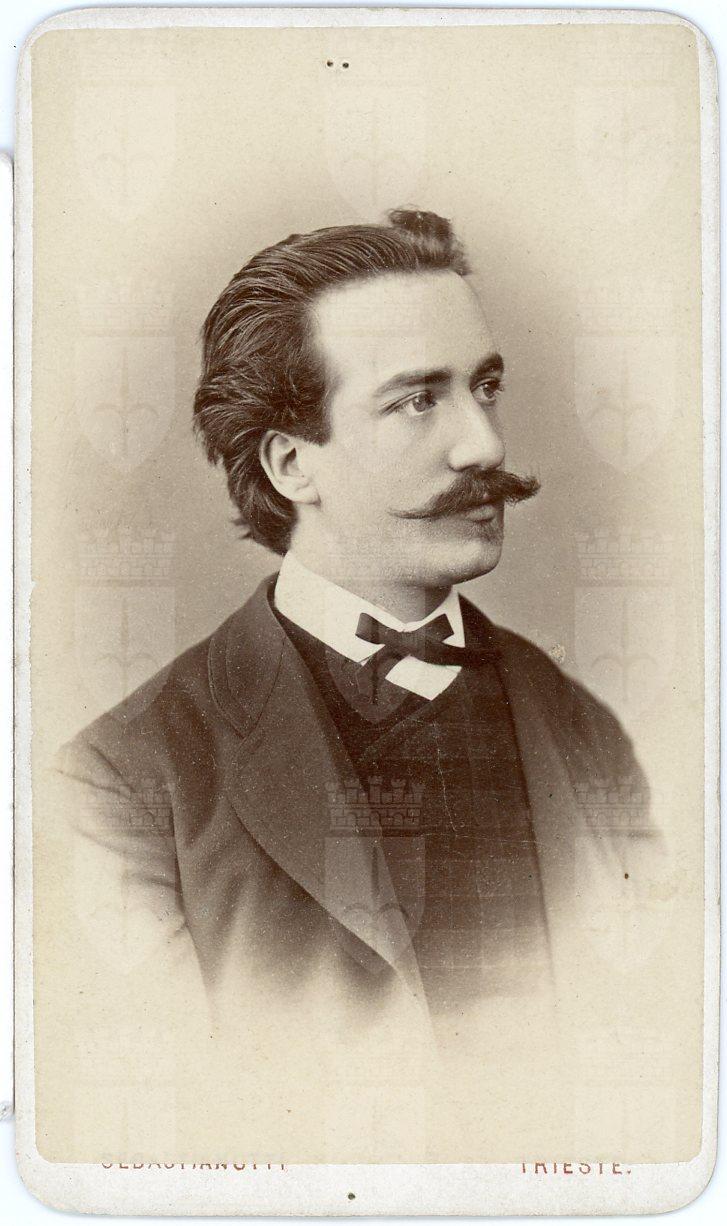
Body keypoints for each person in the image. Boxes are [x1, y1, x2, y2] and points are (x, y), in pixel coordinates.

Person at [52, 208, 665, 1160]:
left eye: (485, 387)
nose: (482, 446)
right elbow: (167, 1132)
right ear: (292, 464)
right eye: (416, 401)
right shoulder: (123, 780)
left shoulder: (586, 731)